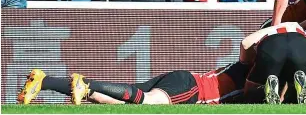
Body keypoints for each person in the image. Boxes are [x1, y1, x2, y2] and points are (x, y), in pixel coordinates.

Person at [17, 63, 250, 105]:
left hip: (185, 78)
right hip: (194, 89)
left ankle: (42, 80)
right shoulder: (250, 72)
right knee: (150, 103)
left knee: (118, 101)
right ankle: (83, 85)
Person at [239, 22, 306, 104]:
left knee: (250, 90)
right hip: (301, 44)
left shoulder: (269, 30)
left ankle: (270, 86)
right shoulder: (305, 31)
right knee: (300, 76)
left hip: (272, 44)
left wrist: (246, 62)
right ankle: (301, 88)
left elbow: (245, 43)